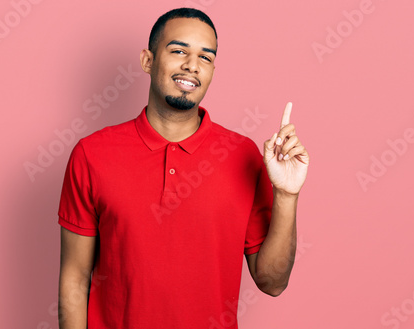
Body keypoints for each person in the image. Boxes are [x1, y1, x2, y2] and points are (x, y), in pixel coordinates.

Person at [58, 7, 309, 329]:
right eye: (178, 51)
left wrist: (287, 194)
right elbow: (74, 279)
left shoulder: (243, 154)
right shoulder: (92, 154)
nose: (192, 66)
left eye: (206, 57)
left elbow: (272, 282)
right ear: (148, 61)